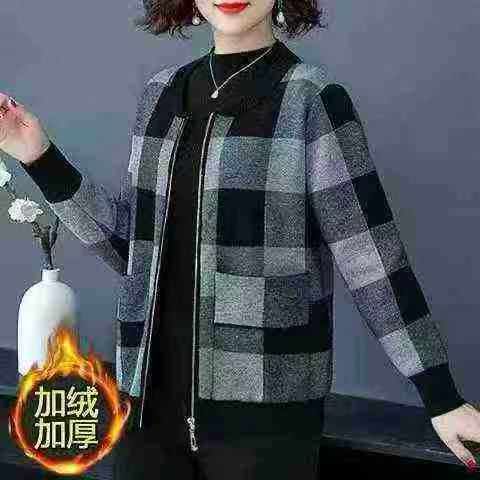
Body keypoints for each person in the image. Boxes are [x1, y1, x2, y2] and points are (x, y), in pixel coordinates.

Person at [2, 0, 480, 477]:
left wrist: (440, 395)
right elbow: (135, 250)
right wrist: (38, 156)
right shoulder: (162, 93)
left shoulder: (312, 99)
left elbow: (371, 258)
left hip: (264, 423)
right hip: (146, 410)